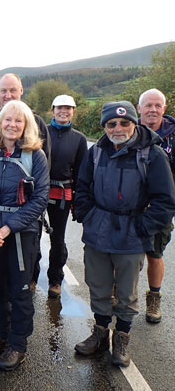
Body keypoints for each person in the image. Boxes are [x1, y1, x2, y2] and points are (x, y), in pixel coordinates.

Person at [74, 101, 175, 367]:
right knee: (98, 285)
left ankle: (122, 337)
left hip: (131, 234)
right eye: (111, 124)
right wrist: (88, 217)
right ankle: (100, 333)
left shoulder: (152, 155)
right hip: (97, 232)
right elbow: (82, 188)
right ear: (104, 126)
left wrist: (143, 227)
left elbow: (165, 200)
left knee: (127, 292)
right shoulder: (95, 152)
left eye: (124, 122)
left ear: (134, 123)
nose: (118, 128)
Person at [0, 100, 49, 371]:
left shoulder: (35, 156)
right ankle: (0, 334)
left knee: (19, 290)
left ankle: (18, 344)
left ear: (26, 125)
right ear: (0, 123)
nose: (12, 125)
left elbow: (40, 199)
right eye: (8, 120)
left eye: (18, 121)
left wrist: (9, 226)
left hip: (21, 234)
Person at [0, 73, 51, 314]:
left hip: (21, 216)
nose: (8, 95)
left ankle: (20, 297)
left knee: (19, 276)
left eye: (12, 90)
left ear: (21, 90)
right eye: (3, 90)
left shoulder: (36, 125)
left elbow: (42, 174)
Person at [137, 88, 175, 323]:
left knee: (154, 254)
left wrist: (164, 204)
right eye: (148, 105)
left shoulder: (172, 136)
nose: (152, 109)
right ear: (139, 108)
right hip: (130, 206)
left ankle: (154, 299)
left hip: (160, 208)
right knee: (122, 253)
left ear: (164, 108)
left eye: (157, 105)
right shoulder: (128, 130)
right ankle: (116, 292)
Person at [45, 95, 87, 298]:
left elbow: (81, 171)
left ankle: (55, 279)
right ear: (52, 110)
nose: (64, 111)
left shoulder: (79, 139)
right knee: (32, 236)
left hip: (63, 192)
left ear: (73, 111)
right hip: (38, 190)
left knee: (57, 238)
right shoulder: (40, 131)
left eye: (68, 108)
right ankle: (32, 277)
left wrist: (78, 200)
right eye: (60, 107)